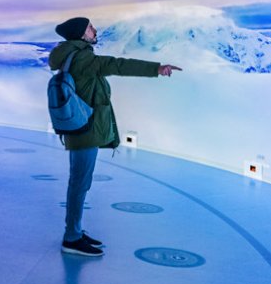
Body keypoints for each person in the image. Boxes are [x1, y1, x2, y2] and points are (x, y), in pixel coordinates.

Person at [47, 16, 181, 257]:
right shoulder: (83, 58)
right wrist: (156, 68)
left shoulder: (70, 55)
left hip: (81, 126)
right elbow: (118, 65)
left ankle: (75, 231)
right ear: (80, 34)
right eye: (89, 27)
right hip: (84, 130)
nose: (94, 30)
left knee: (79, 182)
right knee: (79, 183)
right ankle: (72, 238)